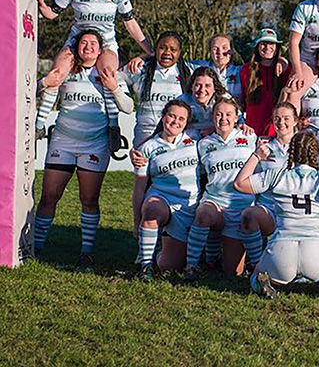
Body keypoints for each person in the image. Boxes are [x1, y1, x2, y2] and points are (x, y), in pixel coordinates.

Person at [32, 29, 134, 270]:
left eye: (93, 44)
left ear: (100, 50)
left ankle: (86, 252)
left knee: (88, 199)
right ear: (77, 48)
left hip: (94, 144)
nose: (88, 47)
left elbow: (128, 107)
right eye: (83, 43)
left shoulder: (110, 74)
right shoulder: (65, 71)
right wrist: (45, 82)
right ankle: (35, 246)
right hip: (63, 142)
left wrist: (115, 88)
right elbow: (32, 92)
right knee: (49, 196)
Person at [234, 130, 319, 302]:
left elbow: (239, 184)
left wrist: (256, 156)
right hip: (317, 252)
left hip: (281, 251)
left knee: (257, 273)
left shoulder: (277, 175)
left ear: (290, 152)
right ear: (316, 153)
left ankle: (263, 283)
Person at [34, 0, 151, 95]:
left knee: (108, 77)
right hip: (78, 43)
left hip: (106, 43)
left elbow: (130, 22)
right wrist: (42, 5)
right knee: (56, 75)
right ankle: (34, 97)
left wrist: (149, 51)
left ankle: (113, 119)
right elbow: (52, 14)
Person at [184, 97, 256, 279]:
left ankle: (223, 257)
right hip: (215, 201)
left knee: (233, 271)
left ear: (237, 117)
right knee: (203, 215)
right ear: (213, 117)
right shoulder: (203, 144)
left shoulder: (249, 137)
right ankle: (191, 266)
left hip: (241, 206)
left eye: (228, 114)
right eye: (218, 114)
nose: (223, 118)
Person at [133, 99, 199, 280]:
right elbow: (139, 189)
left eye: (181, 118)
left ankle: (161, 245)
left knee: (169, 266)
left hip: (189, 205)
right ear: (163, 117)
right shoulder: (148, 147)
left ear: (186, 123)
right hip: (162, 199)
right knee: (152, 210)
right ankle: (145, 265)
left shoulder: (195, 141)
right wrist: (137, 221)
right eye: (171, 115)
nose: (175, 121)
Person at [238, 102, 299, 268]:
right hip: (269, 208)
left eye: (286, 118)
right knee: (248, 216)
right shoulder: (264, 147)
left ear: (295, 121)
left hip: (295, 210)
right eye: (277, 119)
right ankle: (258, 266)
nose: (281, 123)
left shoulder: (303, 147)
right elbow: (252, 180)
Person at [122, 31, 193, 149]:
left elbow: (212, 74)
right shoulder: (140, 69)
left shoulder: (189, 71)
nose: (167, 53)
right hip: (145, 137)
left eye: (173, 50)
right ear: (156, 49)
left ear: (179, 52)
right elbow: (115, 76)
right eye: (162, 48)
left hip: (176, 138)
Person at [240, 28, 291, 137]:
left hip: (278, 131)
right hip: (251, 131)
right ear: (257, 47)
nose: (268, 47)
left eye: (272, 44)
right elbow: (242, 99)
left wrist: (283, 61)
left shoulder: (286, 70)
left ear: (277, 48)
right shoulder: (246, 70)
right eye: (263, 44)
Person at [178, 67, 229, 139]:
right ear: (192, 86)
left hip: (217, 138)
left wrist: (214, 130)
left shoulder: (225, 100)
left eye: (207, 86)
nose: (202, 90)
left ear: (215, 88)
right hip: (188, 139)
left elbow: (238, 122)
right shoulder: (181, 102)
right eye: (198, 85)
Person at [207, 34, 244, 107]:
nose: (220, 52)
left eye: (224, 48)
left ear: (231, 51)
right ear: (210, 51)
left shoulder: (240, 71)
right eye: (215, 48)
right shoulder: (200, 68)